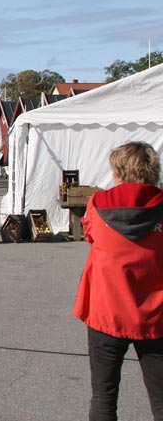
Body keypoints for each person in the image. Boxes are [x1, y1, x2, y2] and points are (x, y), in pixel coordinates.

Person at [72, 141, 163, 421]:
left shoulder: (98, 205)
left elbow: (90, 236)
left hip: (106, 311)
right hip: (156, 316)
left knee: (104, 395)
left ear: (118, 171)